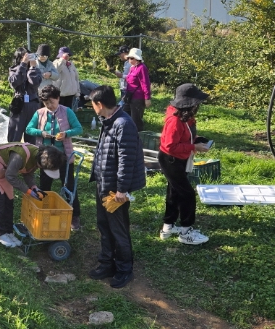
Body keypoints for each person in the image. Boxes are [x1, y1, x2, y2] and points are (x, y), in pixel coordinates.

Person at [87, 85, 146, 289]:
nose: (92, 108)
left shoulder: (123, 124)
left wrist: (122, 189)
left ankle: (124, 269)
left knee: (118, 229)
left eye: (92, 104)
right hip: (104, 183)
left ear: (99, 104)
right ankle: (107, 263)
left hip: (115, 189)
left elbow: (126, 160)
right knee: (104, 225)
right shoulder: (109, 120)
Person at [0, 143, 64, 248]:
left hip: (6, 170)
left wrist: (34, 187)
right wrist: (28, 191)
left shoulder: (39, 156)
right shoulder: (20, 156)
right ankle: (0, 233)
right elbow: (10, 176)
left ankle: (8, 231)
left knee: (9, 200)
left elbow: (28, 172)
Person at [158, 83, 211, 245]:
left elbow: (183, 136)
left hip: (179, 159)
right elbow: (170, 146)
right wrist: (193, 147)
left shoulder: (186, 116)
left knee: (174, 192)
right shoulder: (174, 120)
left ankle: (168, 226)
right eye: (197, 103)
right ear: (189, 104)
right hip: (171, 160)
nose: (198, 106)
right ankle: (186, 232)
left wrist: (195, 140)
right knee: (187, 194)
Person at [25, 85, 83, 230]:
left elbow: (79, 128)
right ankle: (43, 209)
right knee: (45, 185)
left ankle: (74, 215)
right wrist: (41, 133)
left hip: (63, 156)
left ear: (58, 98)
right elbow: (28, 128)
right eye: (46, 103)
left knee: (69, 185)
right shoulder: (39, 113)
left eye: (51, 102)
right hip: (45, 157)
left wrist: (66, 134)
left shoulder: (67, 111)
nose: (49, 105)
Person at [7, 47, 42, 143]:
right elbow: (15, 82)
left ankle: (30, 152)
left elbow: (35, 83)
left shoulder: (35, 70)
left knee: (31, 136)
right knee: (15, 134)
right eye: (25, 56)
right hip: (19, 104)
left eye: (29, 56)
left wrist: (32, 68)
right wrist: (22, 65)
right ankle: (12, 151)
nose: (27, 58)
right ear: (19, 57)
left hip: (33, 103)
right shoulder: (14, 69)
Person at [123, 47, 151, 131]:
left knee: (136, 120)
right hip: (129, 96)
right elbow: (130, 81)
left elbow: (145, 83)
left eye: (132, 58)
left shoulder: (142, 68)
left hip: (138, 98)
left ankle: (138, 135)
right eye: (129, 58)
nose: (129, 60)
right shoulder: (132, 68)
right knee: (124, 115)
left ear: (137, 59)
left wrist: (147, 98)